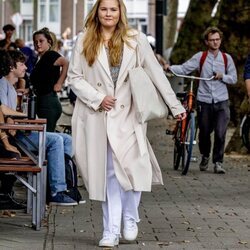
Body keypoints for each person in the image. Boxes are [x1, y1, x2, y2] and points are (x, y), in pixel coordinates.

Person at [66, 0, 186, 247]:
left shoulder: (136, 39)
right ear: (96, 12)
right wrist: (98, 98)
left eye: (113, 9)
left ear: (120, 12)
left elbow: (156, 73)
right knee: (109, 173)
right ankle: (110, 230)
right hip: (99, 116)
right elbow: (74, 78)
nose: (108, 13)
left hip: (129, 115)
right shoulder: (84, 39)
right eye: (103, 9)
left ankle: (130, 218)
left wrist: (176, 107)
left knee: (135, 169)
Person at [0, 49, 78, 206]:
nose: (26, 67)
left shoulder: (11, 88)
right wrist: (23, 117)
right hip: (15, 137)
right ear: (11, 67)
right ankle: (56, 191)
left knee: (67, 139)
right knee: (55, 140)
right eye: (22, 64)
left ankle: (64, 184)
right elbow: (2, 109)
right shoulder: (2, 84)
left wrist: (19, 117)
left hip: (19, 132)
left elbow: (9, 113)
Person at [165, 26, 237, 174]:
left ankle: (218, 162)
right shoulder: (201, 57)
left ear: (220, 40)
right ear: (206, 42)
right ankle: (205, 156)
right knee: (204, 132)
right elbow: (185, 69)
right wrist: (169, 68)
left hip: (222, 100)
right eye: (212, 40)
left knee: (220, 132)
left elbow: (234, 78)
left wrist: (222, 76)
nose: (215, 42)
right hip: (204, 100)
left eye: (217, 39)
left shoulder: (226, 58)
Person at [30, 27, 69, 132]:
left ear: (49, 42)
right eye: (35, 42)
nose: (38, 44)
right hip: (42, 102)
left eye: (41, 41)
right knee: (45, 136)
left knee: (47, 138)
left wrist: (60, 83)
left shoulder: (50, 55)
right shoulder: (40, 59)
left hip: (49, 102)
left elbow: (66, 63)